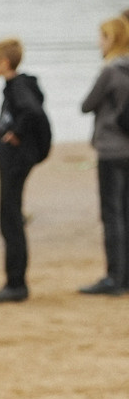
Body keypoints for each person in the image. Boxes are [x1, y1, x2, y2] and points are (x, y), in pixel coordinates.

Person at [0, 38, 50, 304]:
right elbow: (27, 111)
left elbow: (32, 112)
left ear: (4, 62)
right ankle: (15, 282)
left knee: (10, 219)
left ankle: (16, 284)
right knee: (11, 217)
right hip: (18, 157)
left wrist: (15, 133)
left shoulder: (18, 86)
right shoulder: (21, 85)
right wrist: (1, 130)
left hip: (16, 160)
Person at [78, 15, 129, 296]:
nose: (99, 42)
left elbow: (87, 105)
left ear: (112, 39)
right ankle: (126, 276)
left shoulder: (111, 71)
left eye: (102, 37)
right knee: (126, 212)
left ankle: (114, 277)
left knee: (112, 215)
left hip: (111, 149)